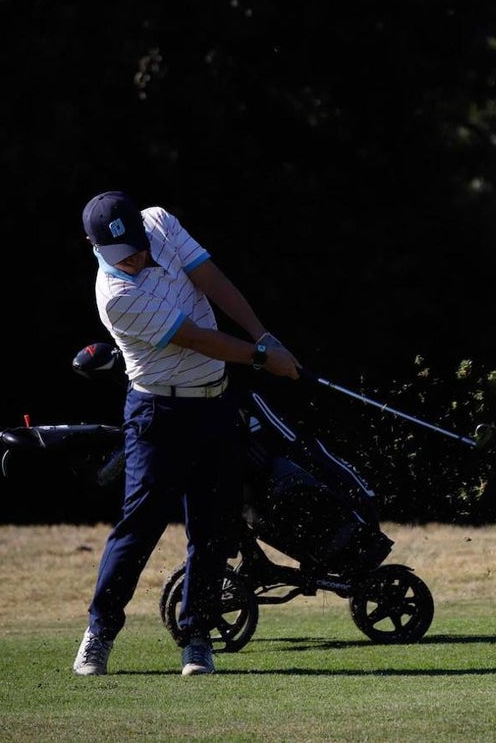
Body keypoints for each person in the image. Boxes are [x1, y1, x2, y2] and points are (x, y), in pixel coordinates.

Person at [72, 190, 300, 677]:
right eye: (121, 255)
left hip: (215, 403)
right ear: (95, 248)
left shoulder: (159, 222)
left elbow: (211, 279)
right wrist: (263, 359)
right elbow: (196, 338)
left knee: (213, 526)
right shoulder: (116, 296)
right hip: (159, 413)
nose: (134, 258)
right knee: (140, 526)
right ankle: (100, 632)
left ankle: (197, 637)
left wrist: (262, 334)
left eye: (137, 247)